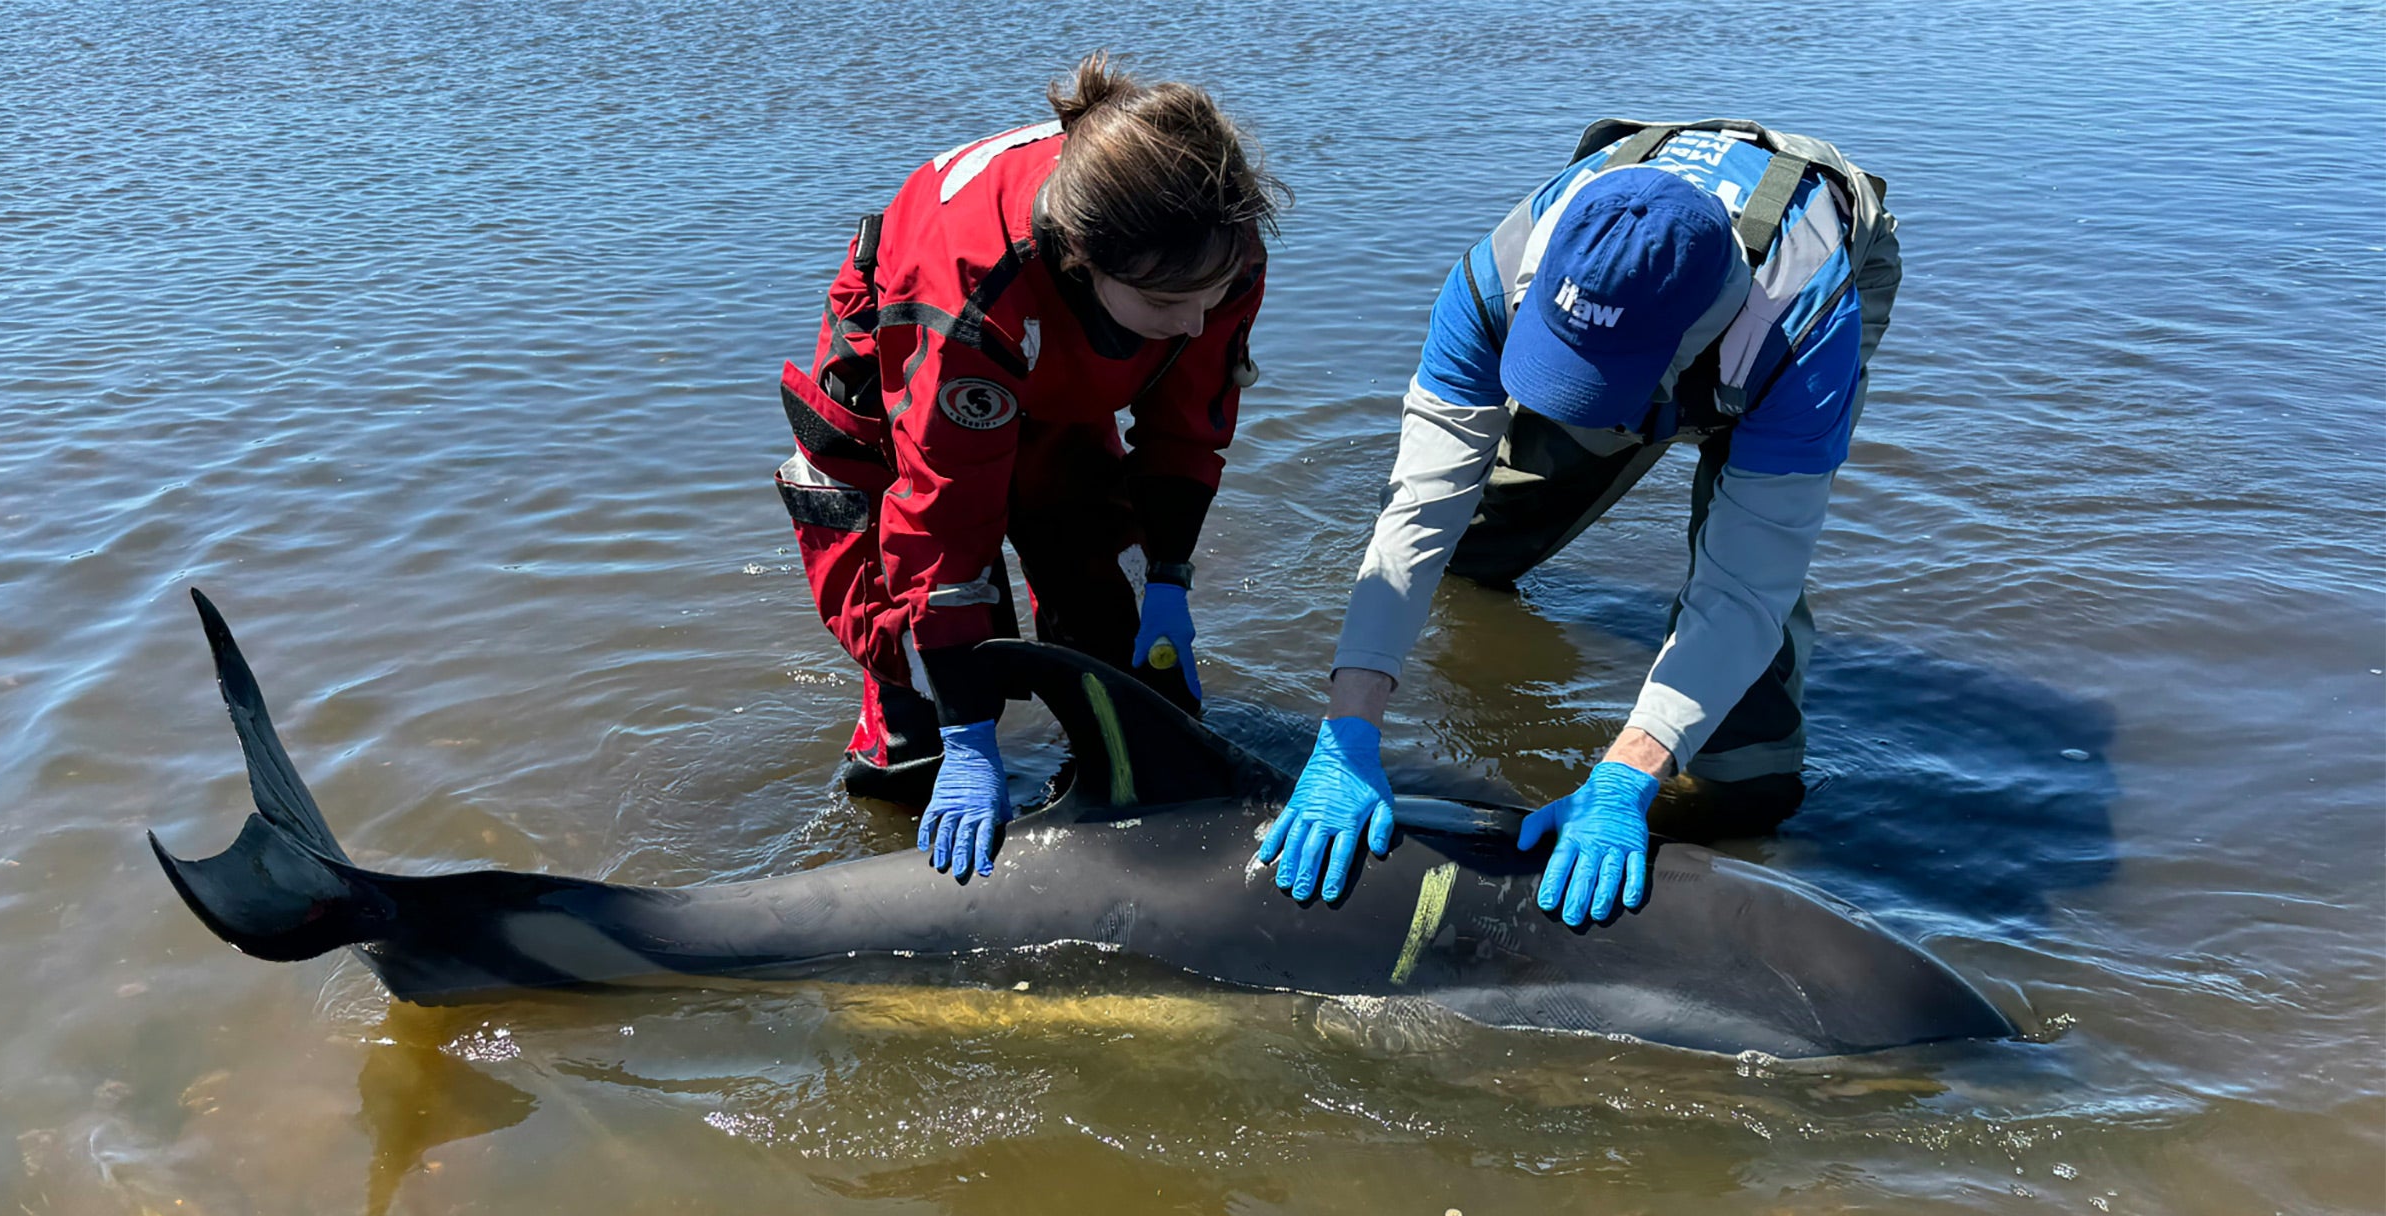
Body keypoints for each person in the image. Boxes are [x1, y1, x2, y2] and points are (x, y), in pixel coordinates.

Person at [1256, 119, 1902, 924]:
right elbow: (1419, 511)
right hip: (1625, 311)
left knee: (1747, 760)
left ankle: (1732, 781)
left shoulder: (1805, 336)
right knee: (1475, 545)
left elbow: (1745, 586)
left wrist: (1630, 771)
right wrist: (1348, 727)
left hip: (1774, 326)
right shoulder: (1495, 274)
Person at [775, 53, 1279, 882]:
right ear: (1085, 256)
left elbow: (1187, 429)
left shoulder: (1209, 248)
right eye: (1166, 307)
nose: (1195, 324)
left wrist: (1170, 577)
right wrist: (971, 736)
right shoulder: (973, 295)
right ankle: (911, 745)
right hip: (912, 355)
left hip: (1060, 358)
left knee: (1124, 663)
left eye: (1215, 295)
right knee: (920, 707)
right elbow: (940, 517)